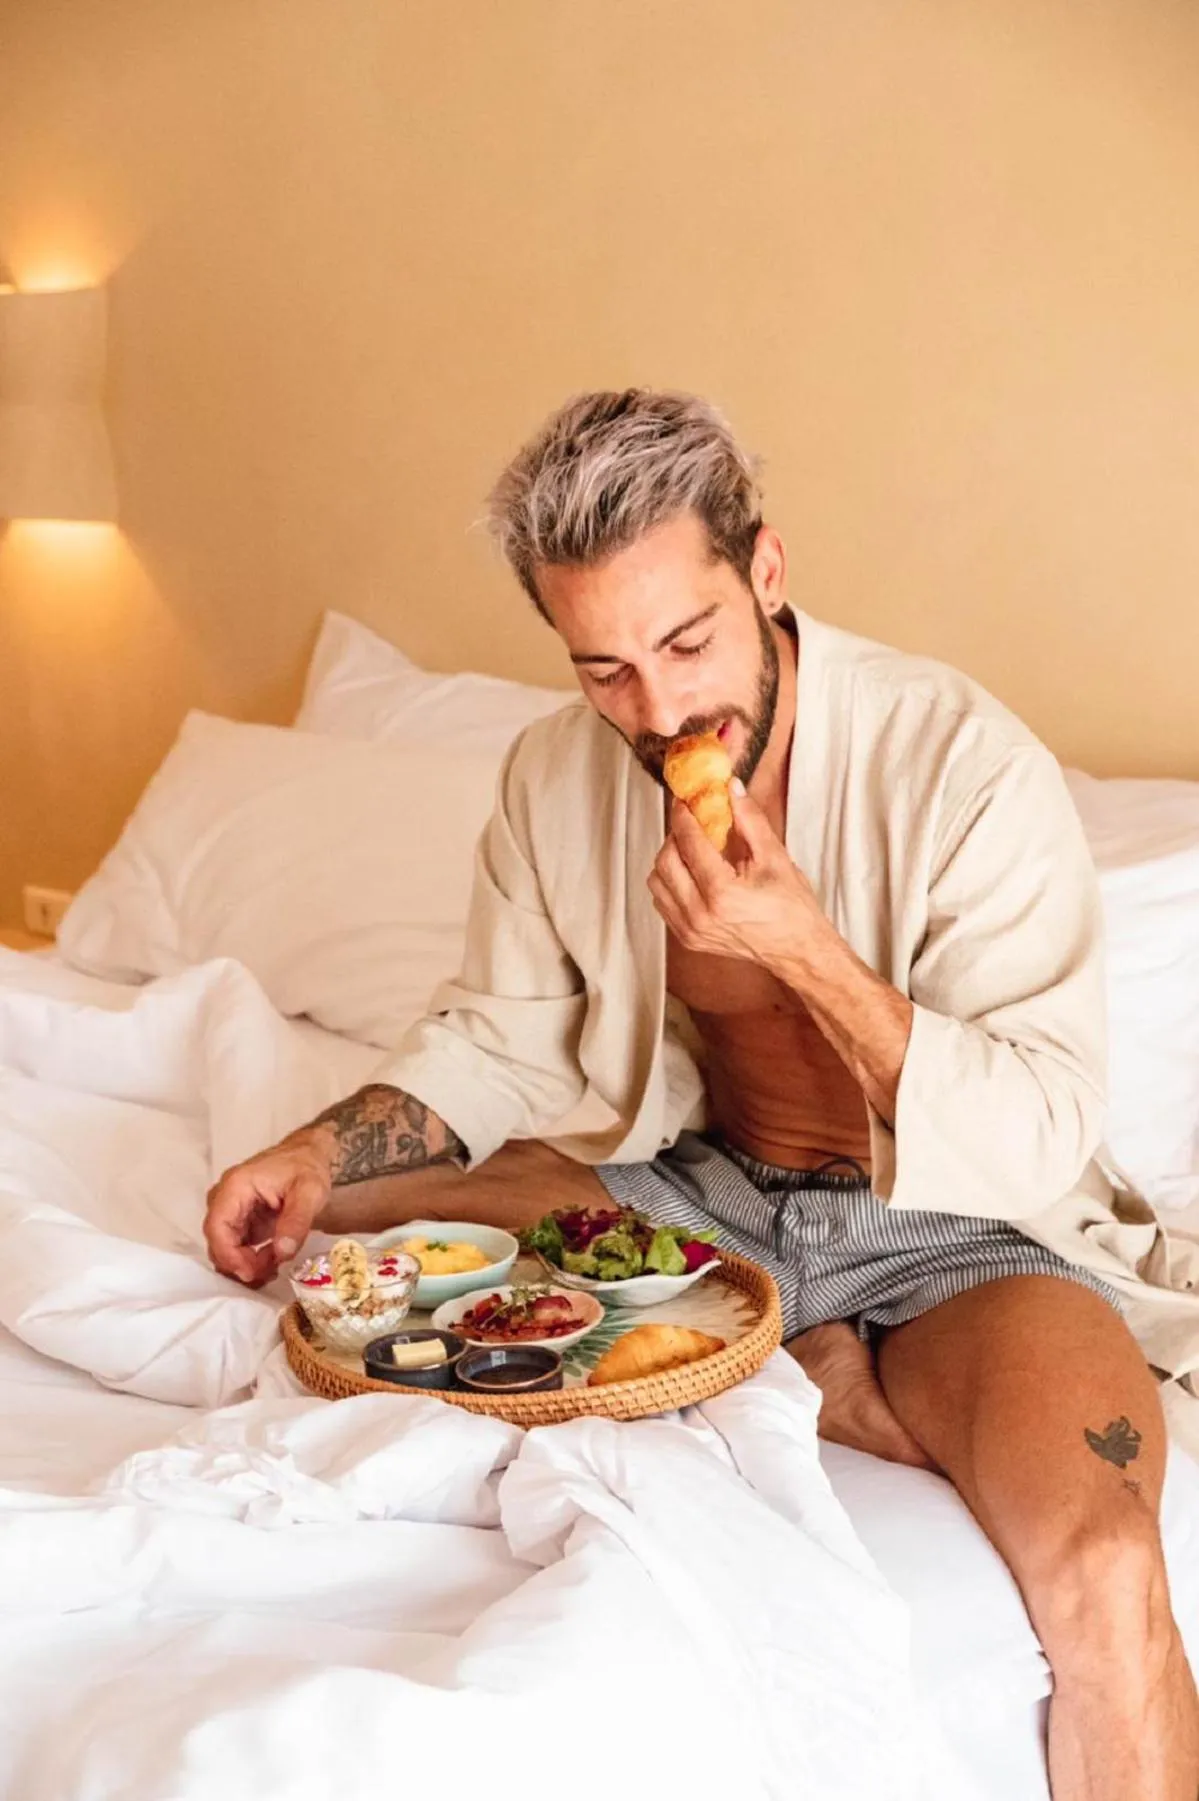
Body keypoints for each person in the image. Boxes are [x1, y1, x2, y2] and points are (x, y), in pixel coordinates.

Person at [206, 389, 1198, 1799]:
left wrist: (799, 948)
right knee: (328, 1211)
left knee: (1102, 1567)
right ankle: (802, 1358)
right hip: (701, 1200)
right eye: (604, 667)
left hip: (964, 1231)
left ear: (766, 575)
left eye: (685, 642)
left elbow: (1042, 1120)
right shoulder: (558, 779)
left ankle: (826, 1368)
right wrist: (313, 1149)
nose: (659, 708)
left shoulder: (959, 762)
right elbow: (498, 1037)